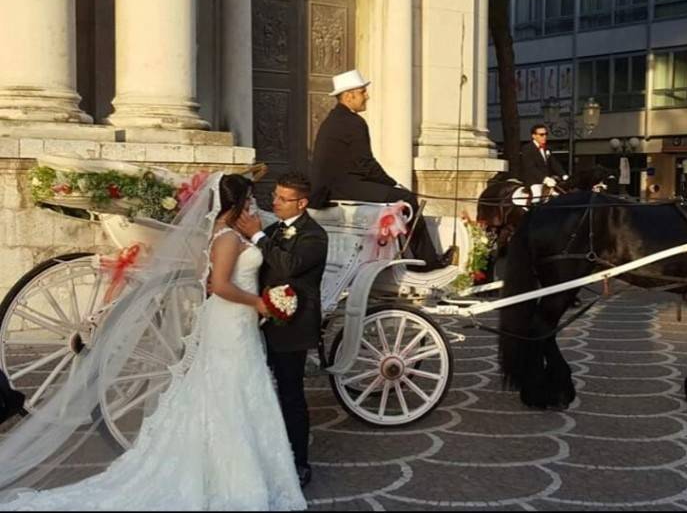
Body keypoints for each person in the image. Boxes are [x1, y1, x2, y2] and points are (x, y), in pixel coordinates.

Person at [0, 174, 307, 510]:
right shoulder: (229, 239)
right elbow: (218, 285)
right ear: (235, 204)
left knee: (235, 388)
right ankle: (233, 475)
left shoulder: (226, 233)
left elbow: (210, 282)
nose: (254, 205)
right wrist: (259, 303)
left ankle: (240, 464)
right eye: (248, 199)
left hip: (235, 321)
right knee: (230, 389)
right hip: (232, 320)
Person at [235, 171, 327, 489]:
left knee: (291, 395)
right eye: (273, 196)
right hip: (259, 322)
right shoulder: (274, 228)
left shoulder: (315, 235)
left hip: (292, 326)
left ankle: (299, 462)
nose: (274, 202)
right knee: (259, 391)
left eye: (281, 199)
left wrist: (259, 238)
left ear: (301, 203)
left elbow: (288, 266)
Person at [309, 69, 452, 271]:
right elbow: (365, 164)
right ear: (350, 95)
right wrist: (392, 183)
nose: (367, 96)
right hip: (343, 187)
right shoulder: (353, 122)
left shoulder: (334, 119)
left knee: (400, 196)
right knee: (407, 199)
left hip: (334, 187)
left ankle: (410, 257)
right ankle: (427, 262)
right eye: (362, 92)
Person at [519, 124, 568, 188]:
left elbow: (554, 163)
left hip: (548, 182)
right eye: (541, 134)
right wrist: (545, 179)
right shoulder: (527, 148)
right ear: (534, 136)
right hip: (533, 183)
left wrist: (564, 175)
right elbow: (530, 168)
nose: (544, 136)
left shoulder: (547, 148)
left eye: (546, 134)